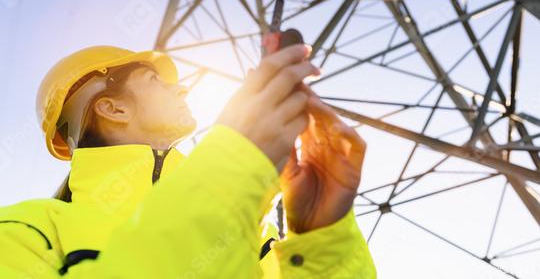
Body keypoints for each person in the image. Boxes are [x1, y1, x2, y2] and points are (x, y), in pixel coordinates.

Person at [0, 44, 376, 278]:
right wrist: (228, 176)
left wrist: (324, 240)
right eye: (153, 79)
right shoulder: (23, 231)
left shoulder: (253, 236)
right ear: (111, 107)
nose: (180, 87)